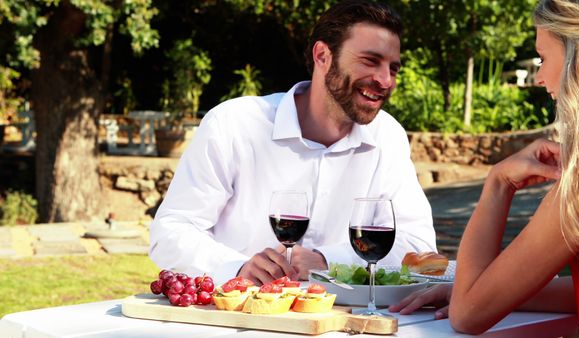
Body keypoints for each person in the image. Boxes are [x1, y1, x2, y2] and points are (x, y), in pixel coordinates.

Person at [391, 0, 579, 336]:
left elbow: (466, 316)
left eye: (543, 58)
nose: (539, 76)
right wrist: (498, 291)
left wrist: (498, 182)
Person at [149, 0, 437, 286]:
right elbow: (171, 232)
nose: (386, 80)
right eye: (370, 61)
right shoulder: (234, 124)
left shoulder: (388, 136)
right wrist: (238, 268)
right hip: (239, 320)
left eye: (394, 68)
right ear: (323, 56)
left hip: (342, 322)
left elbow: (417, 245)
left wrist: (327, 260)